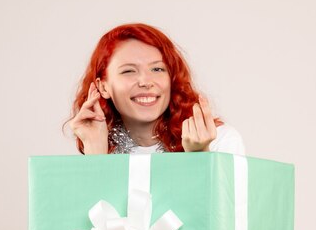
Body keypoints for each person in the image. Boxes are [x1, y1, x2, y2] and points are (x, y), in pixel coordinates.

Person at [66, 23, 245, 155]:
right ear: (103, 87)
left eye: (157, 69)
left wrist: (199, 157)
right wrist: (96, 154)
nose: (145, 81)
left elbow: (224, 206)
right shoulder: (96, 143)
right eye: (128, 71)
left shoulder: (219, 140)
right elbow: (95, 204)